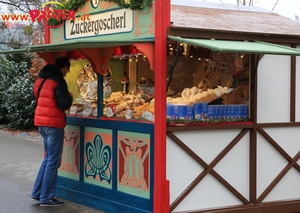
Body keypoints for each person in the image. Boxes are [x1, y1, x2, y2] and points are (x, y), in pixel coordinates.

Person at [31, 57, 73, 207]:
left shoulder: (40, 80)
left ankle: (37, 192)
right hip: (53, 124)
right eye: (68, 69)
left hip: (41, 123)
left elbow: (35, 98)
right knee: (53, 160)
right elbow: (63, 103)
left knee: (48, 158)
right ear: (64, 67)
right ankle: (46, 197)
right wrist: (70, 97)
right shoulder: (58, 80)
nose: (67, 72)